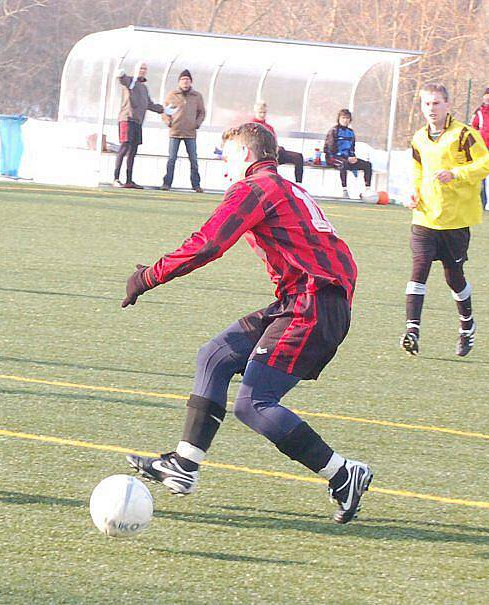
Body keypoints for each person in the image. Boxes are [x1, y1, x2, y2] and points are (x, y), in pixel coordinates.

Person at [121, 122, 372, 524]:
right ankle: (184, 464)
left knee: (254, 405)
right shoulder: (288, 188)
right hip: (306, 300)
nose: (224, 166)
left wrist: (149, 276)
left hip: (312, 303)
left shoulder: (255, 188)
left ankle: (343, 473)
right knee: (216, 355)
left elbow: (209, 243)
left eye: (226, 156)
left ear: (244, 154)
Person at [400, 83, 489, 357]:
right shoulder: (418, 138)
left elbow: (485, 164)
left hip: (454, 221)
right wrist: (414, 193)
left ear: (447, 105)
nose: (431, 109)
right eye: (427, 104)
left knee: (454, 278)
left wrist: (456, 174)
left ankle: (467, 326)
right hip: (425, 217)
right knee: (419, 270)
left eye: (436, 103)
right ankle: (411, 331)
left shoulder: (463, 134)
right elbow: (417, 171)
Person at [113, 61, 164, 189]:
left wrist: (164, 109)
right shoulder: (130, 81)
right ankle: (116, 178)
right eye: (141, 68)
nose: (143, 70)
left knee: (133, 150)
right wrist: (121, 74)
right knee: (124, 146)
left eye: (145, 69)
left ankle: (129, 180)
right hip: (127, 118)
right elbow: (123, 80)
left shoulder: (144, 88)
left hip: (137, 121)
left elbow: (149, 104)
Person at [161, 70, 206, 192]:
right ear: (179, 82)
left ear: (191, 82)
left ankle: (196, 185)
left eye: (187, 79)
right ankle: (167, 183)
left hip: (190, 133)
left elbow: (202, 112)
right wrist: (168, 122)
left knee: (193, 160)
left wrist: (197, 123)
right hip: (175, 132)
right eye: (183, 79)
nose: (185, 82)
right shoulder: (172, 95)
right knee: (171, 159)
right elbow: (164, 111)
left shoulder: (197, 96)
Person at [324, 109, 373, 199]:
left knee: (367, 165)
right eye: (343, 118)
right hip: (333, 158)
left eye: (347, 118)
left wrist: (353, 157)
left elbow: (352, 148)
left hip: (347, 158)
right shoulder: (334, 130)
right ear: (338, 119)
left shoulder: (351, 132)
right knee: (344, 164)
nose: (345, 120)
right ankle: (344, 190)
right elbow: (329, 149)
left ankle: (367, 190)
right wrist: (345, 158)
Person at [252, 101, 303, 183]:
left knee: (298, 157)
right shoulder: (252, 126)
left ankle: (299, 183)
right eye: (260, 112)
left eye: (264, 112)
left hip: (274, 152)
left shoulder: (269, 127)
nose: (262, 115)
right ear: (255, 112)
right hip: (263, 155)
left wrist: (277, 148)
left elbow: (274, 141)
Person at [471, 87, 489, 207]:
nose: (488, 98)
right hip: (483, 147)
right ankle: (481, 202)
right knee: (481, 175)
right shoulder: (479, 112)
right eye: (486, 95)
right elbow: (473, 128)